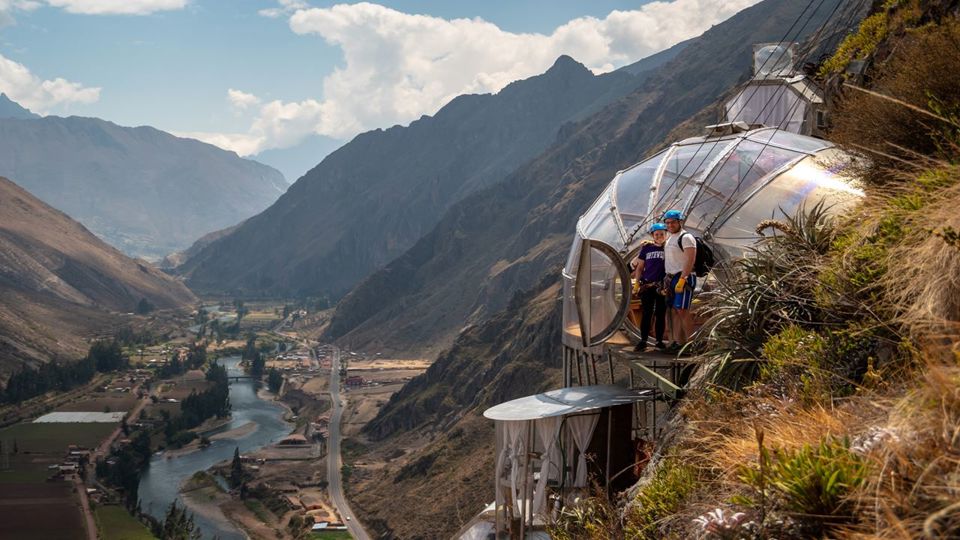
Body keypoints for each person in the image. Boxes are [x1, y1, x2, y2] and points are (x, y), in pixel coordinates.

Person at [662, 209, 696, 353]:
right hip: (671, 277)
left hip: (683, 277)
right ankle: (677, 342)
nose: (670, 225)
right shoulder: (670, 237)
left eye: (673, 222)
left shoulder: (686, 237)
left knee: (683, 310)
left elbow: (690, 258)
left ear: (679, 222)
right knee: (675, 311)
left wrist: (683, 278)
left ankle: (691, 343)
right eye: (668, 223)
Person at [631, 223, 668, 352]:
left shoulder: (668, 248)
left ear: (665, 235)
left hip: (662, 286)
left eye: (662, 234)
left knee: (660, 313)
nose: (659, 236)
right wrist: (637, 282)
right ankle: (643, 340)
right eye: (656, 234)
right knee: (647, 313)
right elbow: (640, 267)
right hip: (647, 285)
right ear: (653, 235)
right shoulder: (647, 248)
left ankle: (659, 341)